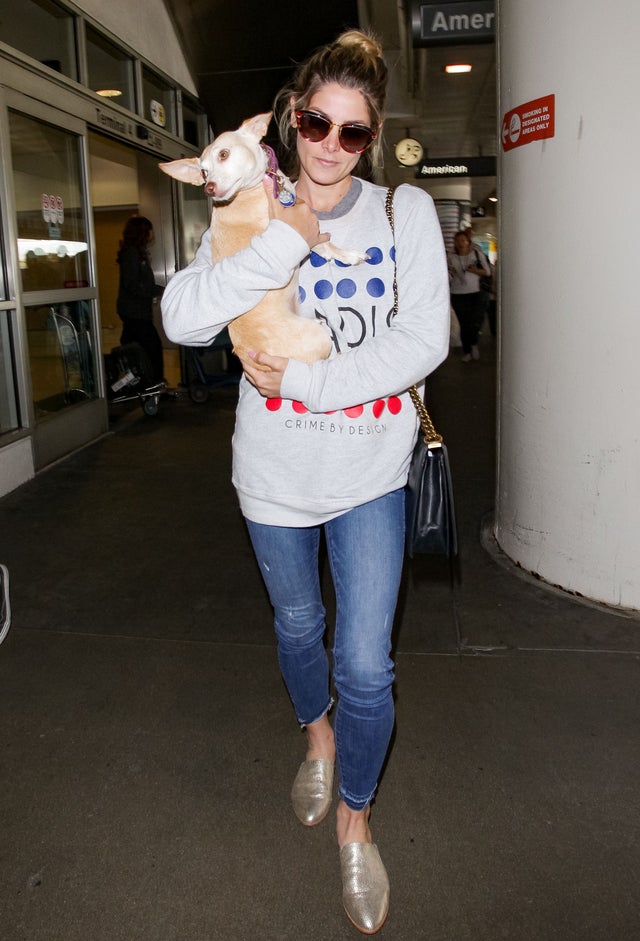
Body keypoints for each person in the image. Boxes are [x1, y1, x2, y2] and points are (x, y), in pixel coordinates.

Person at [162, 29, 449, 935]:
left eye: (352, 132)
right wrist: (277, 246)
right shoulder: (249, 208)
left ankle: (356, 821)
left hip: (370, 470)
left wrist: (309, 381)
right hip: (276, 475)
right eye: (316, 122)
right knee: (298, 625)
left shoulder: (403, 215)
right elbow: (183, 317)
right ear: (290, 118)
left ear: (372, 137)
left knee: (367, 663)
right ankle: (315, 738)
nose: (329, 145)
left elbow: (423, 342)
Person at [116, 215, 165, 383]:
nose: (153, 233)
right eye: (150, 229)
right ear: (143, 232)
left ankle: (142, 382)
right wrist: (157, 290)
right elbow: (133, 284)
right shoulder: (132, 254)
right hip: (134, 313)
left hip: (135, 312)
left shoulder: (137, 253)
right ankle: (154, 383)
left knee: (135, 347)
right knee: (152, 347)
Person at [448, 229, 490, 361]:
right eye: (458, 240)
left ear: (468, 242)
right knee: (464, 323)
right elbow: (447, 274)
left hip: (474, 292)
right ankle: (467, 351)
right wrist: (452, 272)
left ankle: (473, 344)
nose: (461, 243)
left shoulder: (476, 254)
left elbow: (487, 272)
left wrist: (475, 270)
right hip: (457, 293)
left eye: (463, 240)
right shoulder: (451, 257)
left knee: (474, 322)